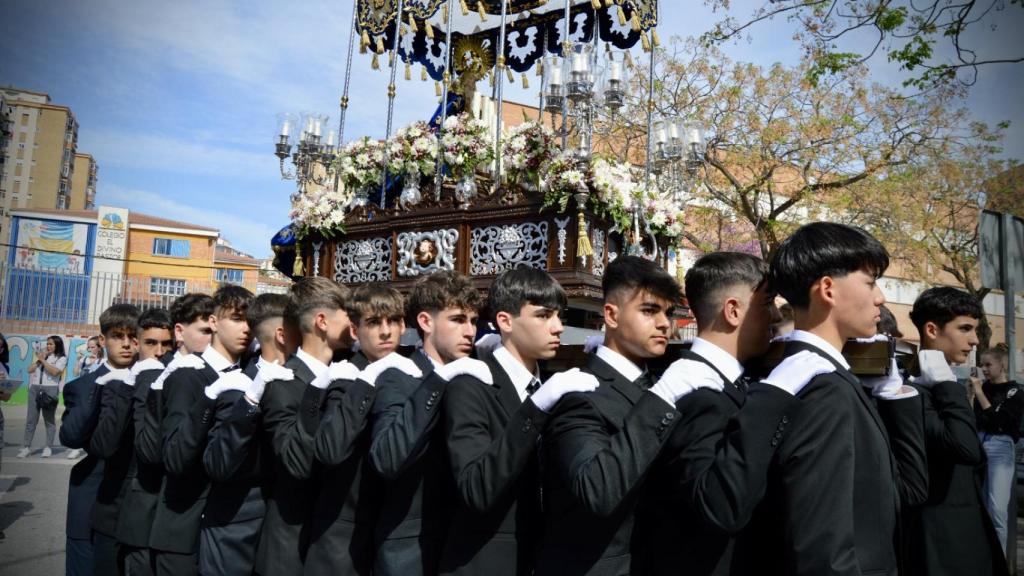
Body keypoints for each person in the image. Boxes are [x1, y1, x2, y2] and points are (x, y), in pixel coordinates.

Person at [730, 222, 928, 576]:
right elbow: (821, 548)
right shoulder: (823, 389)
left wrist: (894, 394)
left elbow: (904, 493)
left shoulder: (830, 379)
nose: (881, 297)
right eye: (870, 282)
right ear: (827, 289)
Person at [439, 265, 599, 576]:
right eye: (543, 315)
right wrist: (536, 407)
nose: (558, 327)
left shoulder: (552, 386)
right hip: (483, 564)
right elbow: (476, 487)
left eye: (559, 316)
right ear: (505, 321)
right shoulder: (471, 385)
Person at [536, 256, 688, 575]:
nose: (665, 323)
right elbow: (597, 490)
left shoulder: (662, 384)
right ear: (611, 315)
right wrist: (663, 397)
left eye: (668, 312)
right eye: (649, 310)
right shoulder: (578, 394)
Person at [642, 252, 783, 576]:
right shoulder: (698, 392)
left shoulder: (726, 382)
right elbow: (718, 508)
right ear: (733, 311)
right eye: (767, 302)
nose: (776, 315)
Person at [368, 271, 485, 576]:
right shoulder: (397, 376)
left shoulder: (477, 376)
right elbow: (386, 459)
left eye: (474, 321)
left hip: (468, 551)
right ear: (425, 322)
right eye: (458, 319)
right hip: (411, 554)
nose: (470, 331)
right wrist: (437, 381)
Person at [304, 284, 423, 576]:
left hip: (398, 540)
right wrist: (367, 380)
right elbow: (330, 450)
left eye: (393, 321)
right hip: (342, 540)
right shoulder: (344, 375)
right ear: (355, 331)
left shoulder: (412, 372)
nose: (386, 331)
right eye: (374, 322)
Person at [150, 285, 254, 576]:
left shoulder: (251, 373)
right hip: (184, 531)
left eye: (251, 321)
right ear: (213, 321)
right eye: (237, 318)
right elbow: (175, 457)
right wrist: (209, 398)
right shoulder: (188, 374)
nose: (246, 328)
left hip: (229, 531)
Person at [905, 286, 1007, 575]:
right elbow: (966, 448)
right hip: (942, 543)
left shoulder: (940, 387)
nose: (975, 340)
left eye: (974, 329)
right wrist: (947, 384)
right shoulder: (911, 392)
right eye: (964, 329)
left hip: (966, 534)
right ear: (932, 330)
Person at [256, 277, 353, 575]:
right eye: (349, 314)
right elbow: (296, 462)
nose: (355, 322)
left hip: (336, 548)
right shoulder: (282, 382)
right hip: (292, 548)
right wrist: (316, 392)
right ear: (322, 321)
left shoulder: (349, 373)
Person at [200, 293, 296, 576]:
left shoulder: (307, 377)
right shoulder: (238, 383)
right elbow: (218, 462)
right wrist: (251, 399)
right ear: (282, 333)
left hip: (285, 527)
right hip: (237, 522)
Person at [119, 293, 214, 576]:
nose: (212, 338)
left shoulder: (216, 374)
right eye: (206, 331)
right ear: (180, 332)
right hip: (149, 517)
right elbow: (148, 450)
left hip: (194, 522)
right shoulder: (155, 373)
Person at [88, 307, 174, 575]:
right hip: (113, 509)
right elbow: (102, 446)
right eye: (151, 343)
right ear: (137, 344)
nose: (159, 352)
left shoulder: (178, 383)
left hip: (156, 515)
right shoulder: (117, 383)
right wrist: (130, 386)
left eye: (166, 344)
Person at [59, 303, 140, 576]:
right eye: (118, 336)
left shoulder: (152, 380)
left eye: (132, 336)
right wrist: (97, 387)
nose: (126, 344)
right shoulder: (82, 387)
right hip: (92, 495)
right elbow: (70, 437)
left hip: (136, 500)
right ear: (103, 340)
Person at [976, 343, 1023, 556]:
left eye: (988, 365)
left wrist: (979, 393)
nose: (984, 369)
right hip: (979, 442)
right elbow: (975, 419)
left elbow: (998, 421)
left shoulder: (1014, 392)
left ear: (1002, 364)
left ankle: (999, 561)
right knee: (980, 507)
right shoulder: (983, 388)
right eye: (981, 365)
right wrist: (971, 395)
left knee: (997, 509)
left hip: (1000, 446)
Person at [20, 335, 68, 458]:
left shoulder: (61, 358)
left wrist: (43, 360)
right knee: (31, 420)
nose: (48, 346)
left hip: (50, 389)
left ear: (57, 345)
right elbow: (29, 370)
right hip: (35, 388)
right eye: (47, 344)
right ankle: (26, 447)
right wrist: (39, 360)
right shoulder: (43, 357)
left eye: (51, 344)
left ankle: (48, 447)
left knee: (49, 420)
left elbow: (55, 372)